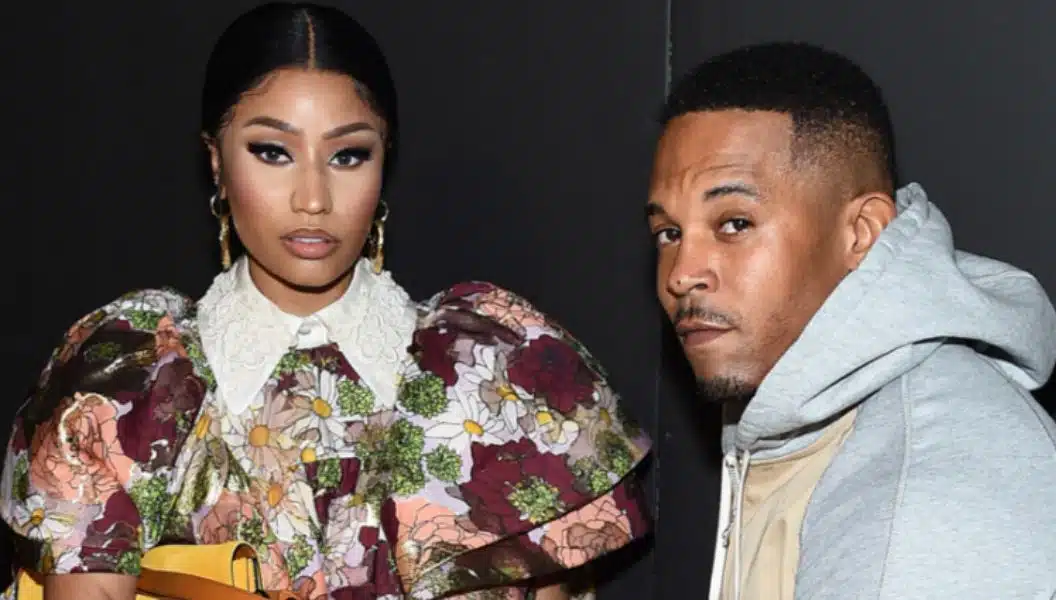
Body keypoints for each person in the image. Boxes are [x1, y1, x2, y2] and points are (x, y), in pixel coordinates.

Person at [1, 4, 650, 600]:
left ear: (384, 162)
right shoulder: (126, 384)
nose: (312, 197)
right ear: (216, 162)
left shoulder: (493, 374)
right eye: (272, 152)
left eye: (347, 155)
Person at [646, 42, 1056, 600]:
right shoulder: (805, 408)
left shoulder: (921, 511)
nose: (682, 273)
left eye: (734, 223)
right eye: (669, 233)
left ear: (861, 233)